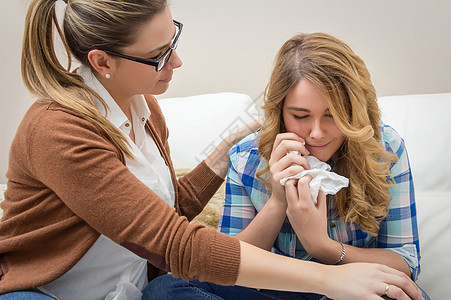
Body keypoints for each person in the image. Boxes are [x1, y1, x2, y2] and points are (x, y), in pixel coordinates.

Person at [0, 0, 423, 298]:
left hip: (126, 289)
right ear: (102, 62)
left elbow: (161, 213)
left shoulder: (144, 109)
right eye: (159, 55)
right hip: (45, 290)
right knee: (168, 290)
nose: (178, 62)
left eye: (173, 41)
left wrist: (221, 156)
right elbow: (175, 243)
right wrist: (327, 275)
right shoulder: (59, 131)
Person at [147, 33, 430, 299]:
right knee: (165, 289)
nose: (316, 132)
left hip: (356, 286)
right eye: (301, 115)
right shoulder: (248, 157)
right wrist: (277, 201)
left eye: (333, 115)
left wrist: (323, 246)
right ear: (279, 111)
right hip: (277, 288)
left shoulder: (384, 148)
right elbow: (227, 265)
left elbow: (404, 262)